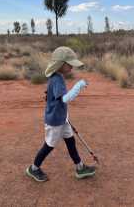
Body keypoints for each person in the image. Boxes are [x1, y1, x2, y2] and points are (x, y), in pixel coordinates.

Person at [26, 46, 96, 182]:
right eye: (70, 64)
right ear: (61, 64)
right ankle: (33, 168)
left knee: (70, 141)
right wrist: (79, 86)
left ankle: (80, 167)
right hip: (54, 121)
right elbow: (65, 99)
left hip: (62, 119)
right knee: (49, 145)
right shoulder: (57, 79)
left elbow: (58, 99)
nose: (71, 67)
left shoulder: (57, 77)